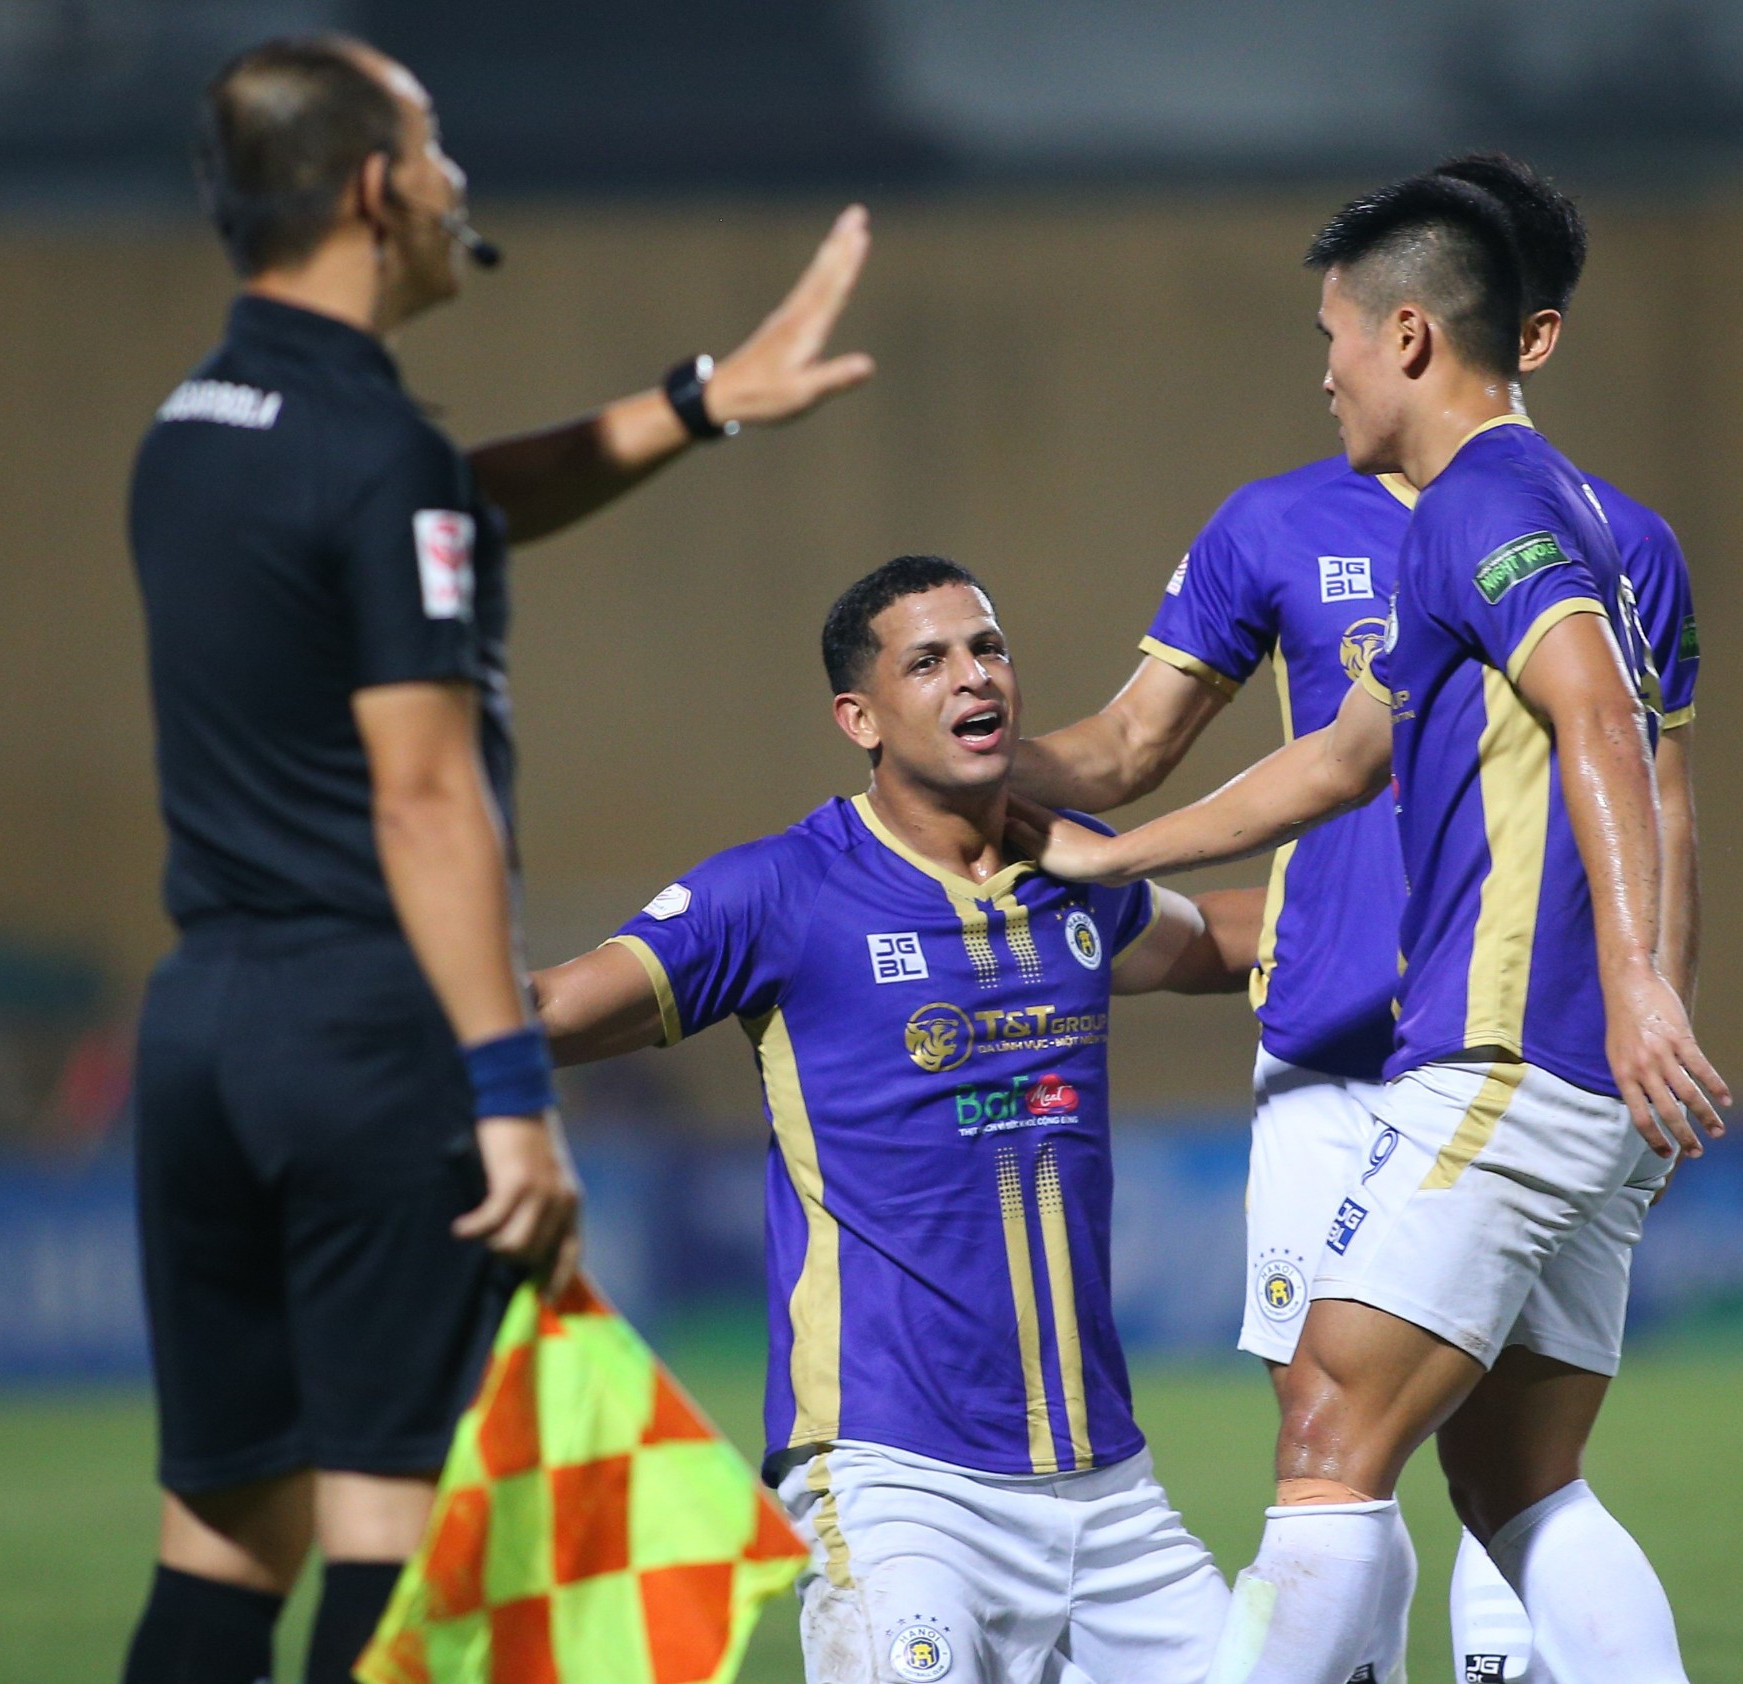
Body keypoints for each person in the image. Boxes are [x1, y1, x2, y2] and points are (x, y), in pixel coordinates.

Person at [123, 34, 874, 1684]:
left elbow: (439, 505)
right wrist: (508, 1090)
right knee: (395, 1538)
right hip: (360, 1047)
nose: (457, 178)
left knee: (224, 1543)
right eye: (432, 144)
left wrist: (695, 404)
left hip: (202, 1040)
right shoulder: (374, 455)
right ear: (376, 191)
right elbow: (425, 796)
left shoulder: (196, 426)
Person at [1014, 176, 1728, 1684]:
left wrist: (1635, 990)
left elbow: (1602, 722)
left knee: (1329, 1436)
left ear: (1406, 336)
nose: (1324, 368)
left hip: (1505, 1051)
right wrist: (1113, 851)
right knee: (1517, 1478)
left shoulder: (1484, 502)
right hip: (1567, 1070)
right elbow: (1344, 758)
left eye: (1332, 334)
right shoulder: (1566, 517)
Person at [529, 555, 1257, 1684]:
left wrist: (1446, 907)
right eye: (928, 661)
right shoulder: (778, 892)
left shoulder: (1068, 865)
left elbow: (1208, 943)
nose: (975, 676)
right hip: (895, 1481)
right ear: (858, 718)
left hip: (1107, 1491)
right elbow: (549, 1011)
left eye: (987, 647)